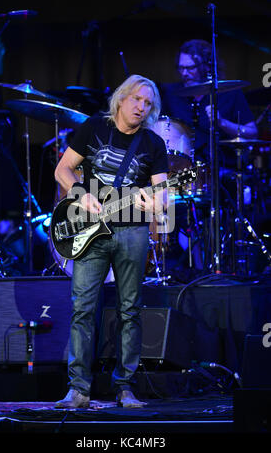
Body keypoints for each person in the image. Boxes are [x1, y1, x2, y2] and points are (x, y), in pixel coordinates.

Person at [54, 74, 169, 408]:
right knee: (82, 308)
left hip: (132, 232)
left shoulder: (153, 144)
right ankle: (78, 389)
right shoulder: (93, 128)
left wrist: (156, 202)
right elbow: (63, 170)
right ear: (121, 98)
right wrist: (79, 195)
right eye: (137, 99)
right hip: (89, 230)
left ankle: (125, 387)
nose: (141, 107)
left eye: (148, 104)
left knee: (130, 309)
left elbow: (162, 196)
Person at [159, 39, 258, 166]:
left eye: (190, 68)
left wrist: (223, 123)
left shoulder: (231, 93)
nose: (184, 73)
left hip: (223, 166)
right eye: (181, 68)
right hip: (181, 168)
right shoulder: (172, 93)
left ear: (206, 66)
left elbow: (252, 132)